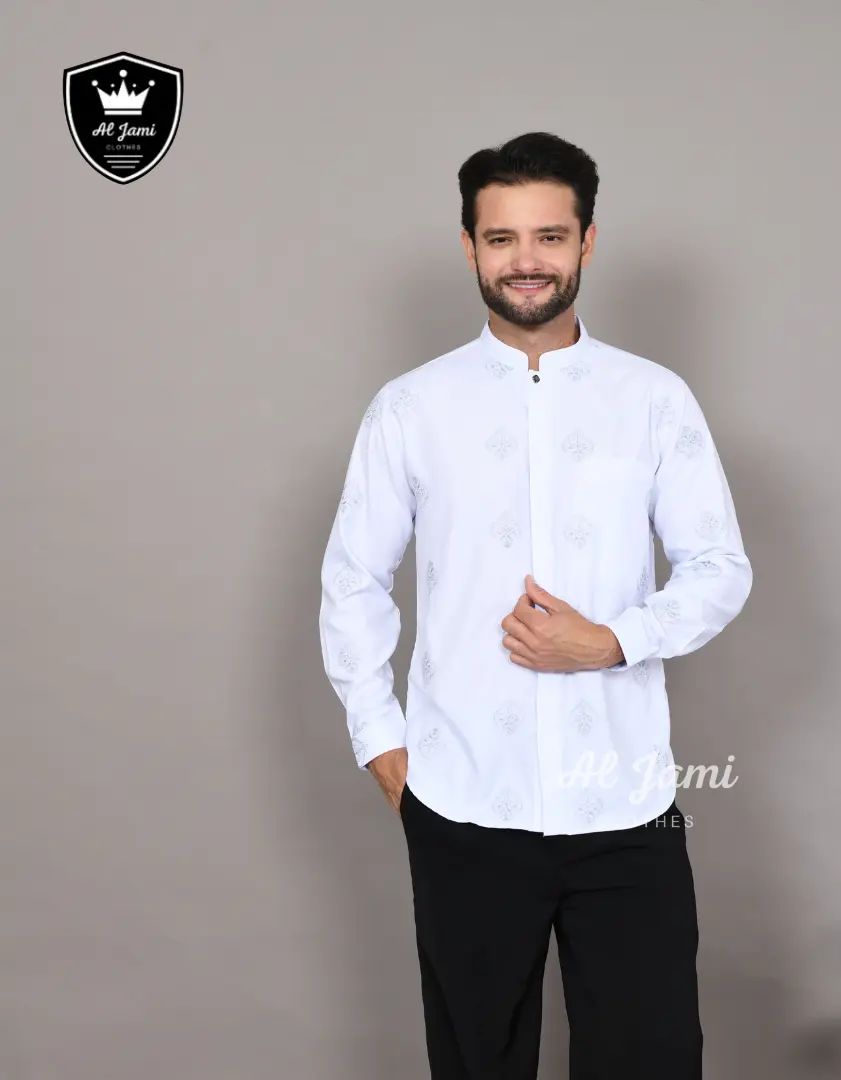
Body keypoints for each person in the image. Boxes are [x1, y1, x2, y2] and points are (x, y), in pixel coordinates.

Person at [318, 130, 752, 1079]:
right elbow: (352, 580)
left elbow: (720, 566)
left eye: (550, 236)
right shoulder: (411, 407)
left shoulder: (653, 400)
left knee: (650, 1061)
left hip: (627, 805)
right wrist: (382, 745)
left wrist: (614, 640)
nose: (527, 260)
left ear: (587, 242)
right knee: (478, 1064)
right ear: (469, 246)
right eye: (502, 238)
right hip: (463, 801)